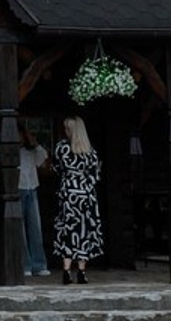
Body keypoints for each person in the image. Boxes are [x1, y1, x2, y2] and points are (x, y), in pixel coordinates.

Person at [52, 115, 103, 284]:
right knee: (84, 231)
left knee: (68, 230)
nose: (65, 131)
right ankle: (82, 271)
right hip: (86, 194)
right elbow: (95, 176)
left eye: (67, 128)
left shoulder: (61, 148)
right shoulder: (90, 152)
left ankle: (66, 271)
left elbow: (57, 169)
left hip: (68, 194)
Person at [18, 126, 50, 276]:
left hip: (32, 189)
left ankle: (39, 264)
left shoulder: (30, 151)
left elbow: (43, 161)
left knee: (35, 228)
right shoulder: (11, 152)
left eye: (20, 135)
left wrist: (35, 143)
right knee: (20, 231)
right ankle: (25, 265)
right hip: (18, 190)